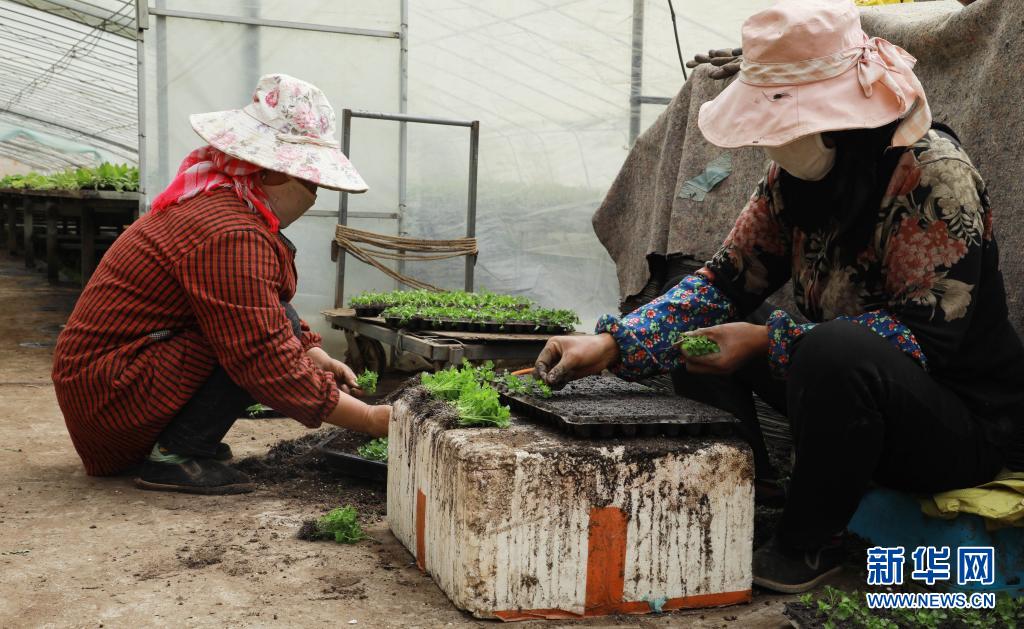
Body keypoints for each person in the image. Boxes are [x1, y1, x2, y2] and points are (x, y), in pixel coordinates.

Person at [535, 0, 1024, 593]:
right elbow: (724, 280)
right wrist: (610, 344)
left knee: (831, 351)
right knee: (690, 314)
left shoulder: (931, 175)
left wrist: (770, 342)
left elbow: (923, 340)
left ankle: (808, 541)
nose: (775, 143)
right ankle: (752, 484)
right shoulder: (792, 181)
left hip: (958, 425)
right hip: (848, 391)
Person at [52, 74, 390, 495]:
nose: (314, 193)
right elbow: (261, 356)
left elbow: (266, 305)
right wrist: (370, 419)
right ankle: (176, 455)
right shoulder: (229, 231)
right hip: (111, 399)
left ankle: (184, 440)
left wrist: (314, 354)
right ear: (269, 173)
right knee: (245, 344)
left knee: (260, 324)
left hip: (108, 385)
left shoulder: (222, 201)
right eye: (309, 180)